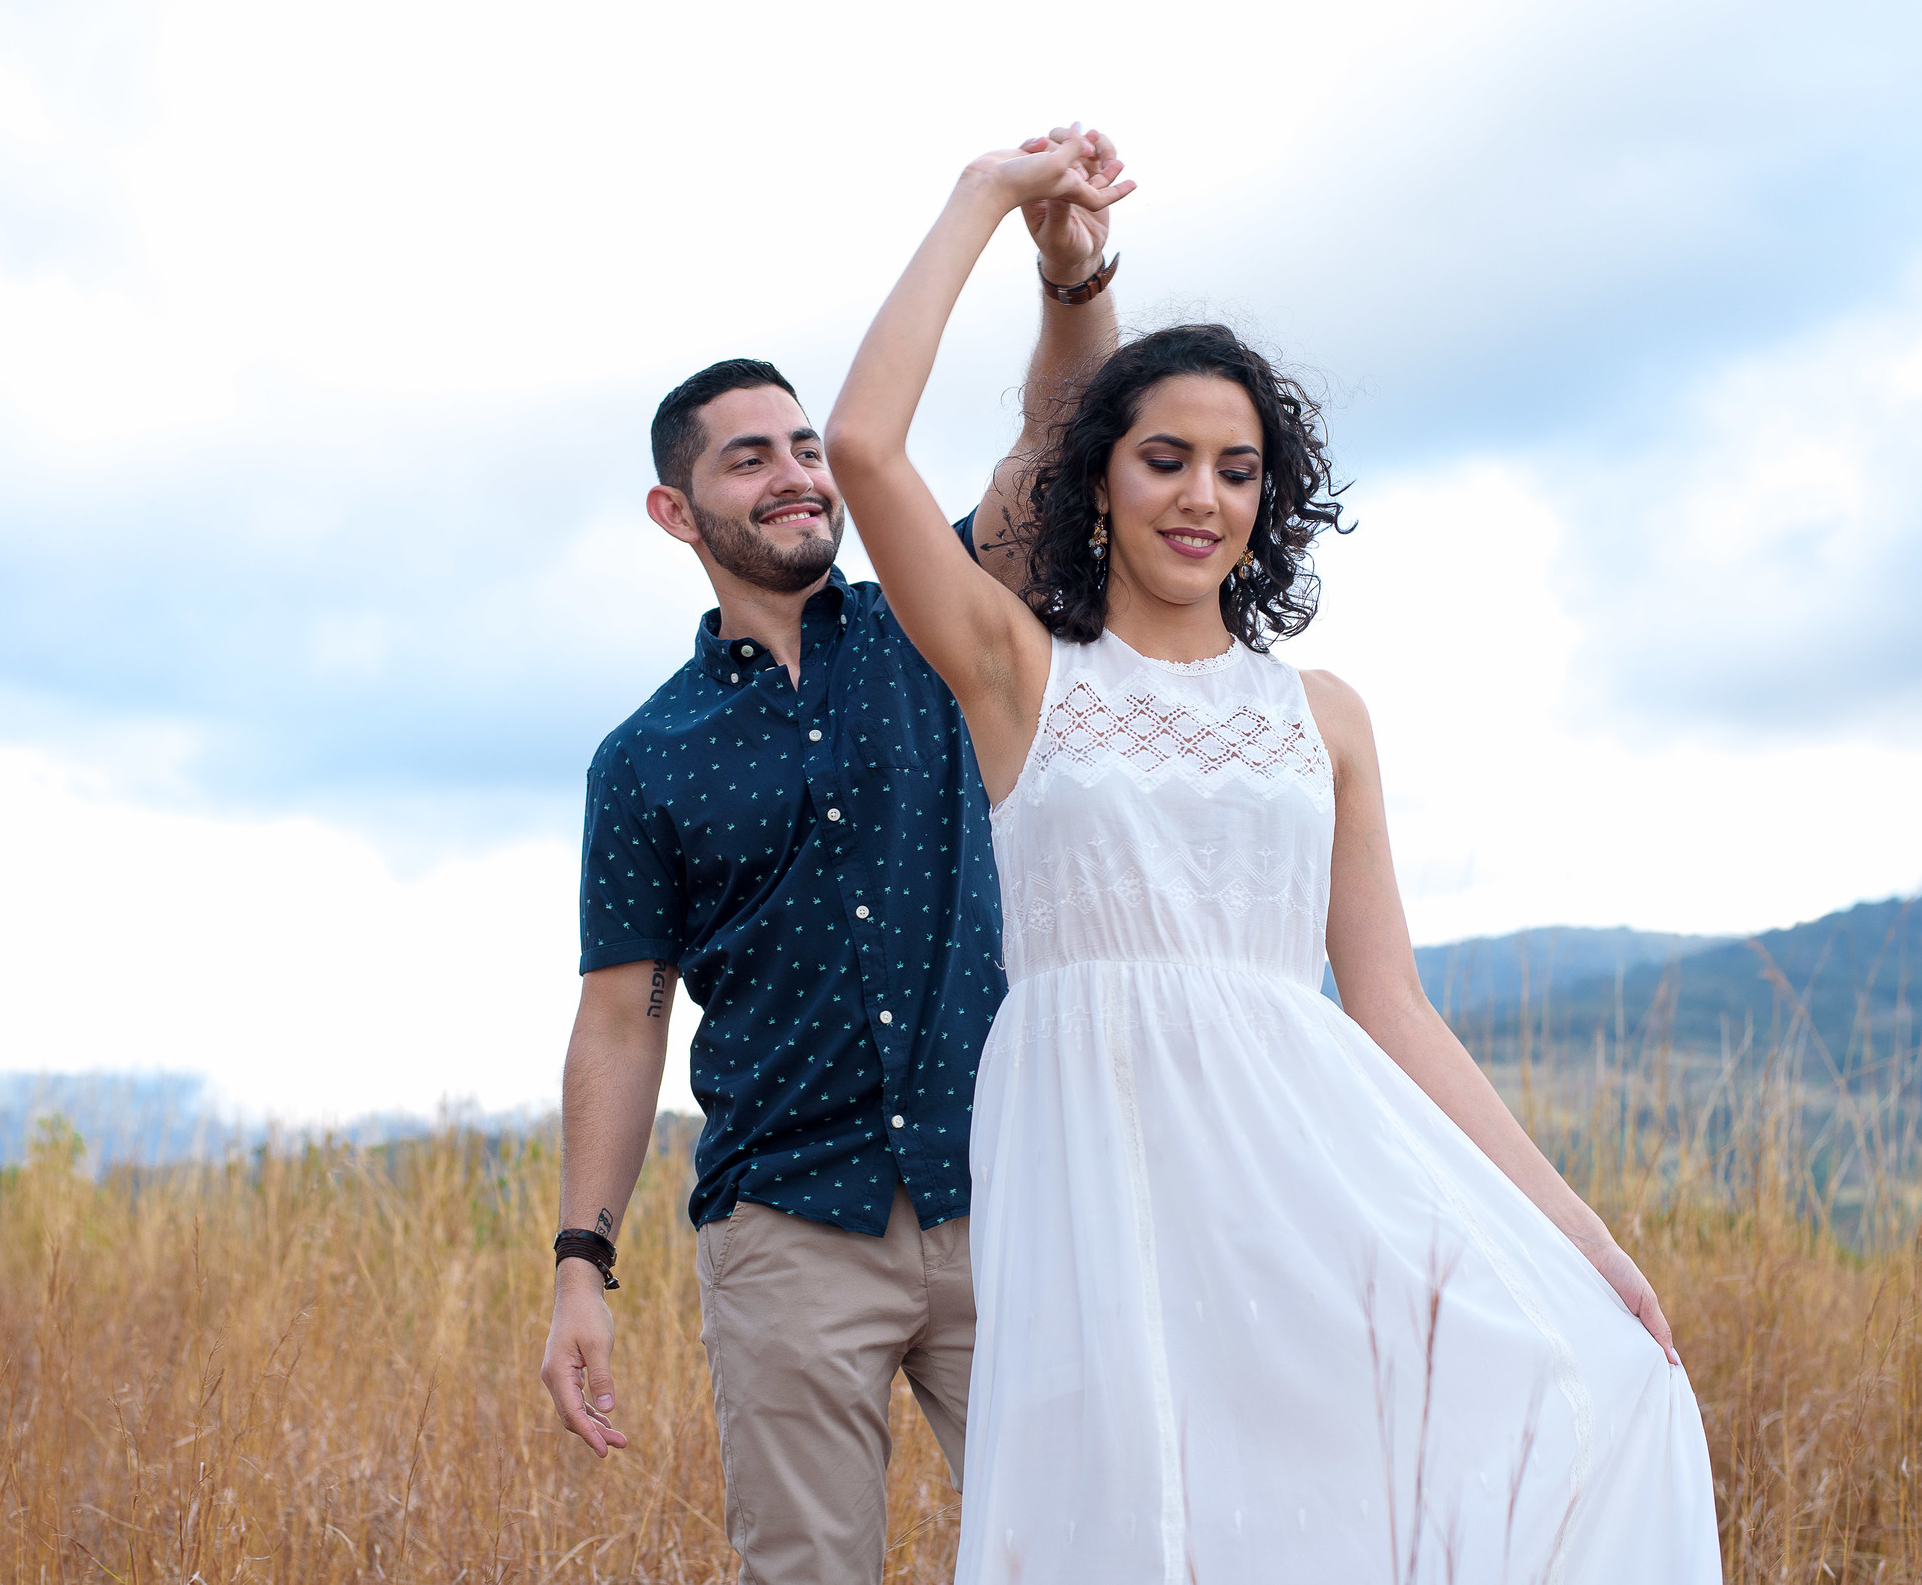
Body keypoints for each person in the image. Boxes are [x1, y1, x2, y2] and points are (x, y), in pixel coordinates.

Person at [821, 131, 1723, 1582]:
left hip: (1304, 1177)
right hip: (1097, 1167)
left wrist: (1580, 1235)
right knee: (1124, 1521)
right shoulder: (1021, 676)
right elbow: (864, 447)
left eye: (1236, 470)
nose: (1202, 497)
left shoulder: (1326, 717)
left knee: (1401, 1477)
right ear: (1097, 482)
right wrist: (987, 198)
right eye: (1164, 459)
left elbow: (1394, 1007)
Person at [538, 129, 1132, 1583]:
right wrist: (580, 1264)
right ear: (676, 511)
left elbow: (1056, 454)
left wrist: (1071, 274)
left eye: (807, 447)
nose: (797, 475)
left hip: (1006, 1191)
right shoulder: (645, 756)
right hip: (787, 1229)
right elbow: (622, 1015)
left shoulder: (938, 626)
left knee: (1091, 1551)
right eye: (750, 459)